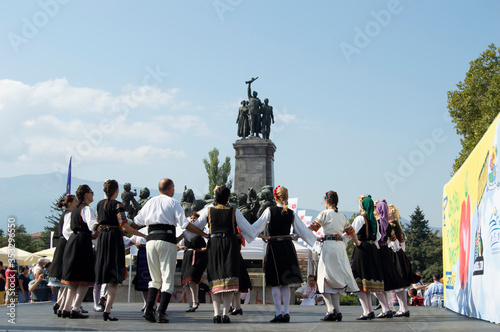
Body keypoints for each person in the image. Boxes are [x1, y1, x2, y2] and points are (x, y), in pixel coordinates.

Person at [131, 178, 204, 323]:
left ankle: (149, 309)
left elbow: (136, 222)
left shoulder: (150, 202)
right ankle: (161, 312)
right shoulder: (173, 203)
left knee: (155, 278)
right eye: (174, 187)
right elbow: (185, 224)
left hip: (150, 241)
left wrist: (124, 230)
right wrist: (202, 233)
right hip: (167, 240)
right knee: (167, 279)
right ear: (170, 189)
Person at [183, 185, 259, 324]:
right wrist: (238, 235)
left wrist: (205, 234)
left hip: (214, 244)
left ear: (215, 197)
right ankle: (225, 314)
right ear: (228, 197)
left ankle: (216, 313)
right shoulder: (234, 211)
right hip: (230, 244)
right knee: (230, 278)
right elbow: (249, 229)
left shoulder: (208, 211)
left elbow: (194, 227)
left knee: (216, 278)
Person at [252, 185, 316, 323]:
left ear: (275, 197)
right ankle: (286, 312)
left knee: (276, 282)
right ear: (286, 197)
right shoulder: (291, 212)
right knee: (285, 283)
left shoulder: (270, 210)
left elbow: (257, 226)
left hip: (274, 247)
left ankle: (278, 313)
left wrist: (262, 236)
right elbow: (303, 231)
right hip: (287, 246)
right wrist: (295, 237)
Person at [95, 179, 147, 321]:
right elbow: (124, 226)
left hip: (103, 238)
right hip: (113, 239)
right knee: (114, 277)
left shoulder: (99, 204)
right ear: (116, 191)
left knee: (105, 270)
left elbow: (99, 223)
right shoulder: (118, 205)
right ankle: (107, 310)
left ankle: (104, 299)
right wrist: (142, 234)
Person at [308, 191, 361, 322]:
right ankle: (338, 311)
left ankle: (330, 309)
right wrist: (357, 242)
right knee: (335, 279)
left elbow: (312, 228)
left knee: (323, 278)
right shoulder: (342, 216)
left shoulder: (324, 214)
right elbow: (351, 232)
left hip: (329, 247)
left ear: (326, 201)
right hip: (340, 247)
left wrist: (310, 236)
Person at [61, 184, 98, 319]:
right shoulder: (87, 209)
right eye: (92, 192)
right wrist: (100, 227)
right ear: (86, 194)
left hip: (72, 241)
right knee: (84, 278)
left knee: (73, 278)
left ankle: (66, 308)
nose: (93, 194)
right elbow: (92, 225)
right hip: (82, 242)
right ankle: (75, 308)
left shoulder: (75, 209)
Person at [348, 195, 385, 320]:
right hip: (372, 250)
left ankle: (366, 311)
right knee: (369, 281)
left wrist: (340, 240)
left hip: (362, 250)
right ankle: (369, 311)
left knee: (360, 281)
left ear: (362, 206)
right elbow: (378, 237)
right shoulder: (374, 220)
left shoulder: (360, 219)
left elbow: (350, 232)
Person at [372, 200, 407, 319]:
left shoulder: (378, 223)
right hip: (389, 251)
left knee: (379, 281)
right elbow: (394, 239)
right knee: (395, 281)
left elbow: (373, 240)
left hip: (380, 253)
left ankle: (387, 308)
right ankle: (399, 308)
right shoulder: (387, 224)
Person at [387, 204, 421, 317]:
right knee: (399, 285)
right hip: (400, 255)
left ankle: (403, 308)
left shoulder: (391, 225)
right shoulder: (398, 226)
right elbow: (402, 244)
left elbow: (394, 243)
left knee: (398, 284)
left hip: (395, 255)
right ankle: (403, 308)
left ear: (391, 213)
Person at [49, 194, 77, 316]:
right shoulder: (69, 214)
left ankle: (61, 303)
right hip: (66, 245)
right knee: (67, 279)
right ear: (70, 203)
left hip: (63, 244)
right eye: (75, 201)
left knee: (64, 281)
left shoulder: (65, 214)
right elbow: (67, 232)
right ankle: (62, 304)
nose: (77, 203)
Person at [178, 211, 208, 313]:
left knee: (192, 279)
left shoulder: (203, 232)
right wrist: (180, 246)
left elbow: (209, 245)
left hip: (198, 257)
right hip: (187, 257)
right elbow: (177, 243)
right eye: (191, 218)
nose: (192, 220)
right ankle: (190, 304)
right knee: (186, 282)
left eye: (195, 219)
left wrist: (204, 248)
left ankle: (195, 301)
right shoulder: (185, 233)